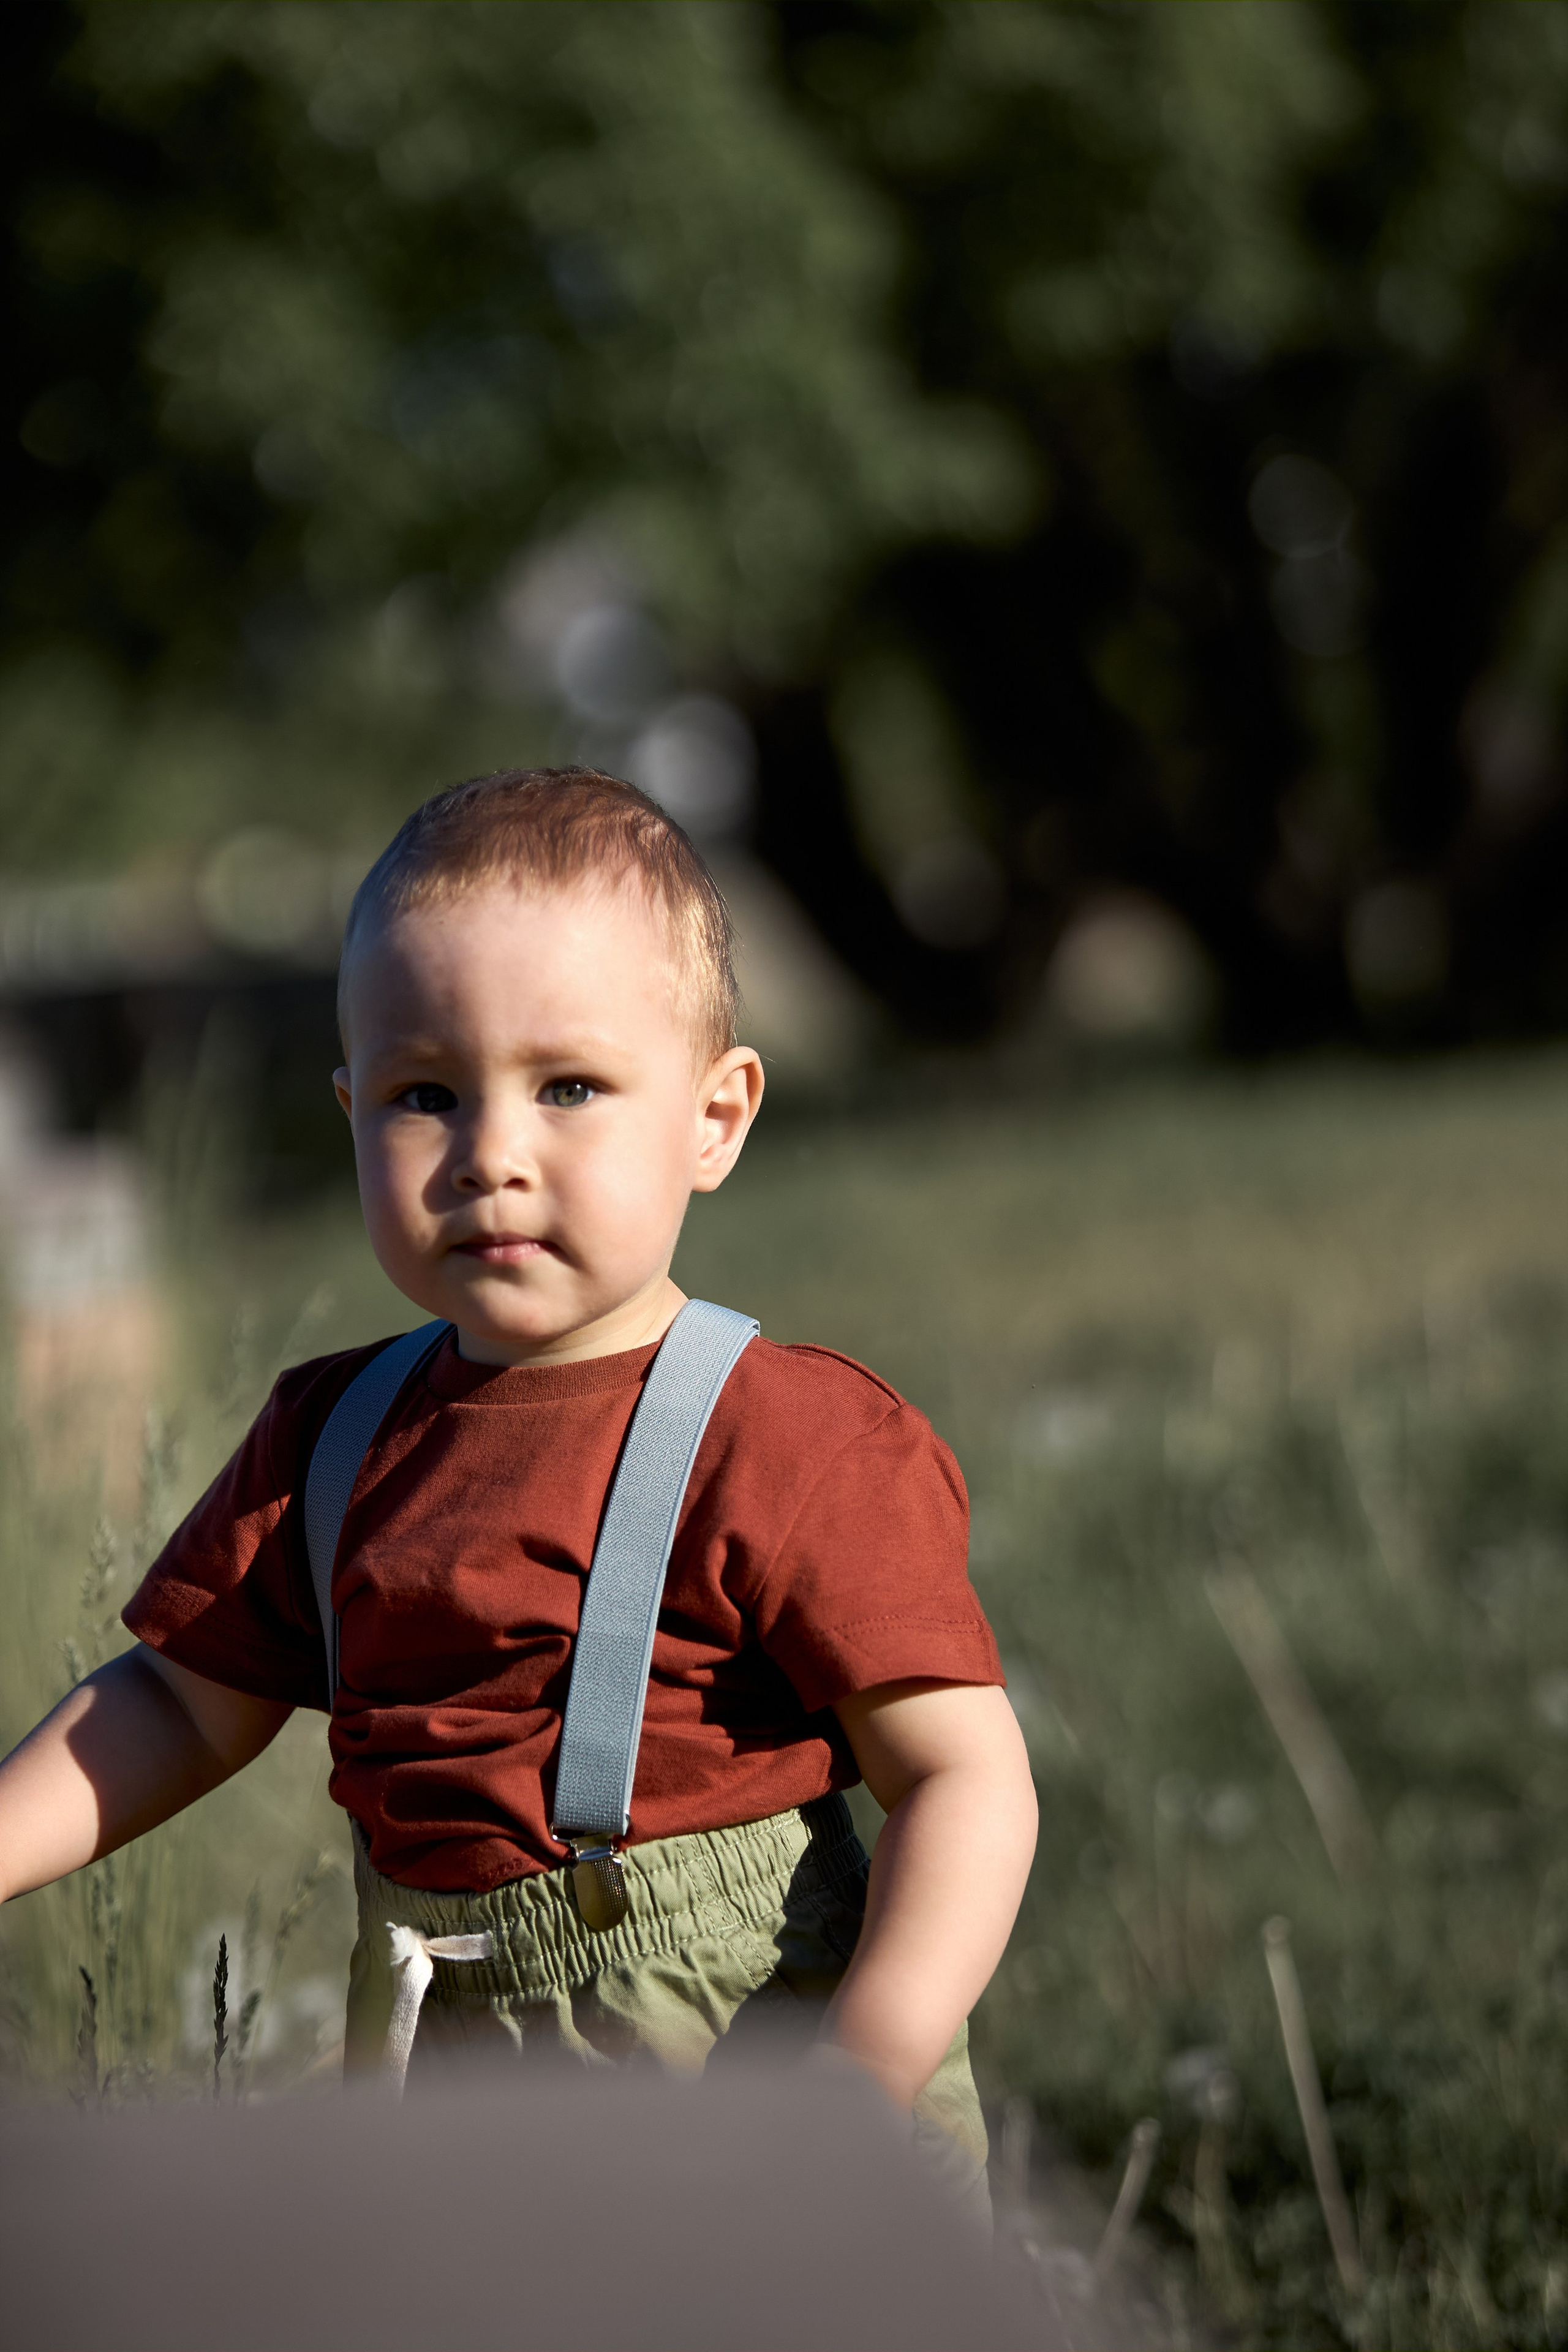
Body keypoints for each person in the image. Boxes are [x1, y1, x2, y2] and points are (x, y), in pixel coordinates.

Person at [0, 768, 1036, 2207]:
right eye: (427, 1095)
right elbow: (180, 1704)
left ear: (714, 1118)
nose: (491, 1155)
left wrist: (862, 2072)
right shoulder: (333, 1433)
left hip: (743, 2060)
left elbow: (962, 1781)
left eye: (568, 1088)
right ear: (352, 1108)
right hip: (440, 2066)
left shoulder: (790, 1438)